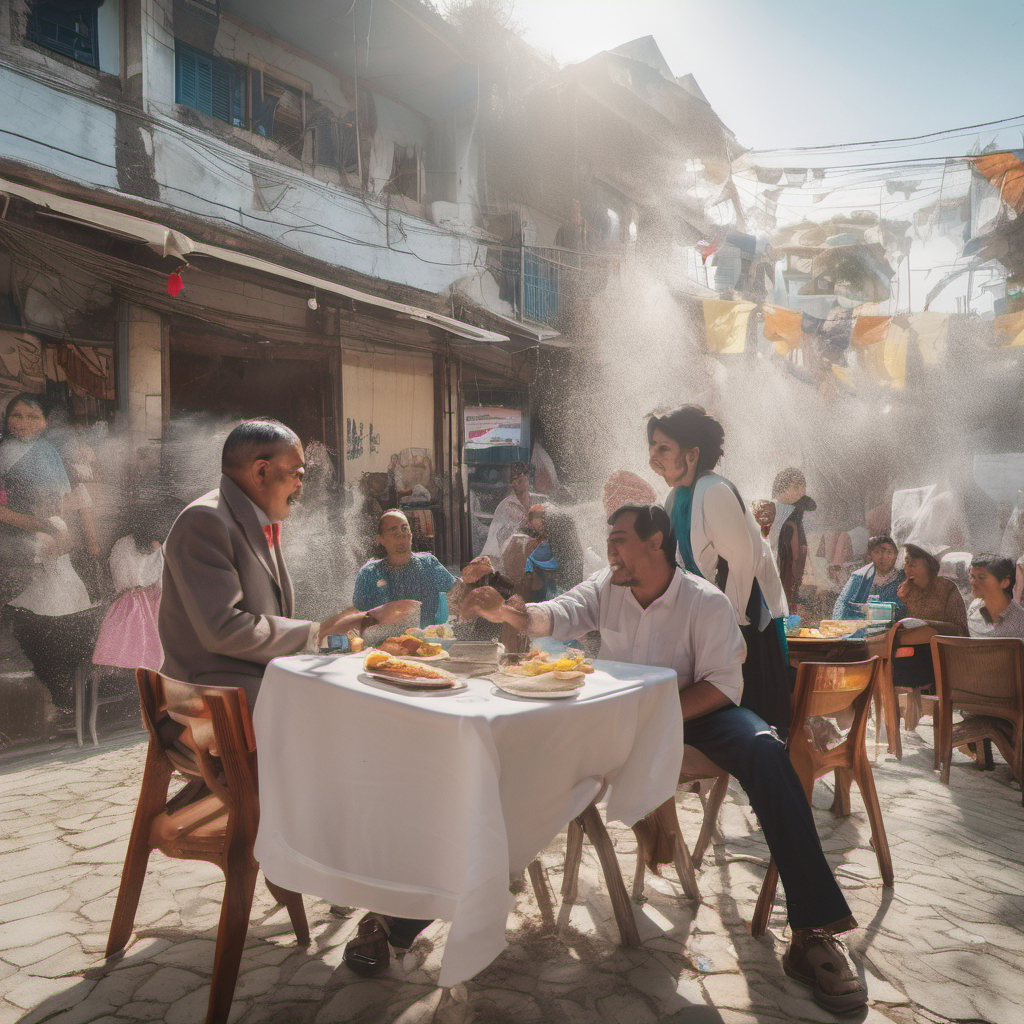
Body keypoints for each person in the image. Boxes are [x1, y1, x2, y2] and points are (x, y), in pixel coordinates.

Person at [462, 504, 866, 1014]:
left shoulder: (705, 602)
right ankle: (436, 902)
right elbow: (557, 614)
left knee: (765, 748)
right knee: (517, 748)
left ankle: (814, 931)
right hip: (622, 717)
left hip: (697, 710)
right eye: (609, 540)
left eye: (621, 539)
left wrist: (658, 714)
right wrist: (510, 612)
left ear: (657, 543)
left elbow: (724, 684)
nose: (610, 549)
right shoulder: (606, 586)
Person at [159, 419, 417, 709]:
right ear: (261, 471)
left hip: (251, 685)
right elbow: (223, 630)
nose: (300, 486)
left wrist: (339, 627)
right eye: (297, 474)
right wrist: (316, 633)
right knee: (347, 709)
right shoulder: (205, 521)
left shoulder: (252, 519)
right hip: (212, 701)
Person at [647, 406, 791, 736]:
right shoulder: (676, 496)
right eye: (652, 448)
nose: (653, 458)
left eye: (664, 448)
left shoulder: (713, 491)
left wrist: (729, 632)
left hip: (744, 621)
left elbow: (741, 564)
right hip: (717, 621)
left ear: (693, 453)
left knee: (747, 727)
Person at [0, 394, 97, 720]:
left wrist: (58, 530)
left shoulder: (48, 453)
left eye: (32, 416)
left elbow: (62, 502)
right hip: (17, 547)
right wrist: (41, 526)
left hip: (46, 545)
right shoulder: (3, 451)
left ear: (44, 422)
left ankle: (61, 691)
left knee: (53, 619)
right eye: (16, 415)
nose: (23, 423)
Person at [352, 509, 492, 630]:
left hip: (426, 647)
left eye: (404, 528)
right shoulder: (368, 573)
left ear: (411, 535)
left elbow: (457, 599)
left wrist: (471, 578)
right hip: (381, 648)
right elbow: (356, 620)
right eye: (392, 530)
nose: (400, 534)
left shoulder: (428, 564)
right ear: (380, 539)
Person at [892, 543, 968, 690]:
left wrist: (925, 625)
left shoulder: (946, 588)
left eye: (913, 565)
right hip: (910, 653)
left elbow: (959, 630)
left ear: (929, 565)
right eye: (906, 564)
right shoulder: (905, 590)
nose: (908, 570)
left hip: (942, 653)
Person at [832, 535, 906, 620]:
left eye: (889, 552)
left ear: (895, 555)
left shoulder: (902, 579)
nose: (884, 557)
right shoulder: (859, 577)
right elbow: (842, 607)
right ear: (869, 556)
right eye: (878, 552)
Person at [480, 461, 531, 573]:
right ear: (512, 484)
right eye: (517, 479)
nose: (522, 479)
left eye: (524, 476)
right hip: (498, 558)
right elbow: (526, 524)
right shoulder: (508, 505)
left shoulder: (533, 500)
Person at [967, 554, 1024, 639]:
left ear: (1004, 582)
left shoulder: (1020, 622)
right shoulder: (973, 608)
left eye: (981, 577)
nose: (973, 582)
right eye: (972, 576)